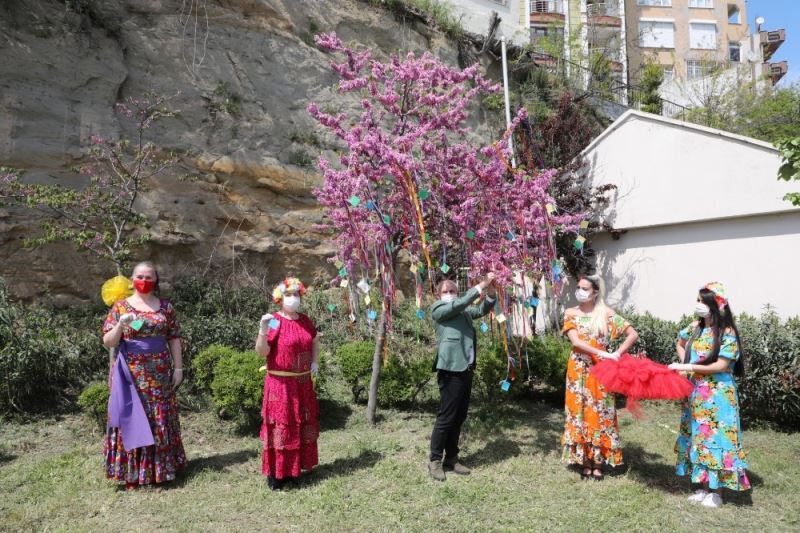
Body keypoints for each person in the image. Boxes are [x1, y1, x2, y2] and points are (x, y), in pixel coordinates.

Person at [102, 261, 185, 489]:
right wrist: (120, 325)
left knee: (159, 417)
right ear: (131, 279)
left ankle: (161, 469)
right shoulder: (121, 307)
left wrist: (178, 368)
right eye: (140, 276)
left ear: (156, 280)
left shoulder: (166, 307)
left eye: (149, 277)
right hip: (131, 373)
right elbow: (108, 341)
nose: (144, 281)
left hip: (160, 372)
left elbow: (174, 338)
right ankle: (132, 472)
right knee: (132, 416)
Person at [668, 282, 750, 508]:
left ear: (716, 306)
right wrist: (686, 362)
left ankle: (717, 492)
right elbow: (680, 341)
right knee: (698, 438)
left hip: (719, 396)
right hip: (695, 393)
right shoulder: (695, 327)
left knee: (717, 440)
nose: (698, 305)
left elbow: (722, 365)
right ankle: (704, 488)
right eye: (697, 300)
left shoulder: (727, 332)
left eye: (703, 302)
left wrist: (688, 368)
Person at [561, 274, 638, 480]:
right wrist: (603, 353)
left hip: (601, 371)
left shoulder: (606, 314)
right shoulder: (571, 313)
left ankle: (598, 461)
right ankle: (584, 460)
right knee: (580, 412)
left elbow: (632, 334)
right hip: (578, 369)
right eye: (579, 287)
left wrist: (617, 354)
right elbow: (576, 342)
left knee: (600, 411)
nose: (580, 291)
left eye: (585, 288)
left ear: (595, 292)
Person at [428, 273, 497, 482]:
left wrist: (491, 293)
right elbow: (459, 305)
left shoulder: (464, 310)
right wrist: (480, 286)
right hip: (450, 368)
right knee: (446, 417)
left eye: (452, 291)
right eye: (445, 291)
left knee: (459, 416)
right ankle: (435, 460)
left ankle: (452, 458)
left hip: (466, 367)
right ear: (438, 295)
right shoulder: (439, 309)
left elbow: (481, 310)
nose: (449, 294)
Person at [255, 277, 320, 491]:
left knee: (300, 424)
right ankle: (277, 473)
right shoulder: (274, 320)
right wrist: (263, 330)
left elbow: (314, 341)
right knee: (281, 427)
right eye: (289, 295)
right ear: (280, 298)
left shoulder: (305, 320)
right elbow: (262, 352)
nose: (293, 299)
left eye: (296, 295)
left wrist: (315, 362)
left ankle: (295, 470)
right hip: (280, 384)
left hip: (302, 382)